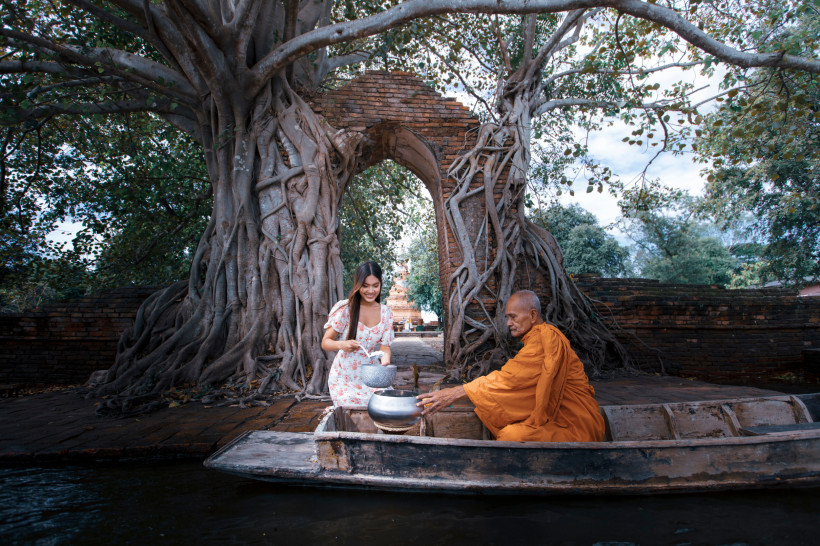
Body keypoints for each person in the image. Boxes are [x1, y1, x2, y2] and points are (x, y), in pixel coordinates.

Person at [416, 290, 605, 442]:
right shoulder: (536, 339)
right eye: (507, 317)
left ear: (533, 315)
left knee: (510, 436)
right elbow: (523, 383)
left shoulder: (546, 338)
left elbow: (510, 380)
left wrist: (457, 392)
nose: (508, 323)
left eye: (513, 317)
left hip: (576, 425)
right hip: (557, 419)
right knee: (494, 417)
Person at [322, 261, 395, 406]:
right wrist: (342, 344)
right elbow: (325, 342)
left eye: (375, 285)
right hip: (344, 377)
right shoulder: (345, 309)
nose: (371, 291)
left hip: (372, 375)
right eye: (365, 286)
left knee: (385, 405)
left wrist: (385, 363)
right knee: (352, 409)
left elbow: (385, 348)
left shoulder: (386, 313)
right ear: (358, 285)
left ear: (380, 284)